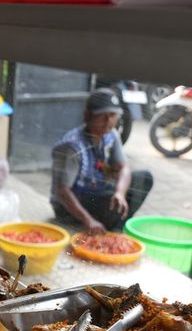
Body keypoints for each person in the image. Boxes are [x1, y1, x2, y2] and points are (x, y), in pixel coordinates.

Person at [50, 88, 154, 233]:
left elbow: (123, 167)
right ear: (87, 116)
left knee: (144, 178)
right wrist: (88, 220)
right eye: (102, 116)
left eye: (113, 115)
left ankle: (116, 228)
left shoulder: (111, 135)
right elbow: (63, 192)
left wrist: (120, 193)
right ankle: (105, 224)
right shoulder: (71, 146)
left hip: (97, 191)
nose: (108, 121)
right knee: (109, 203)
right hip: (71, 205)